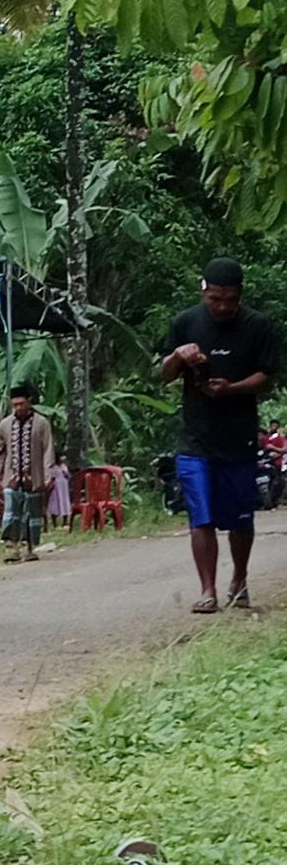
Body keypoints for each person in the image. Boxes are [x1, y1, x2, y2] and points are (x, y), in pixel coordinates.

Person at [161, 257, 279, 613]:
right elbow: (163, 374)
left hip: (239, 438)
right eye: (215, 299)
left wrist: (232, 388)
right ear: (204, 291)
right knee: (202, 515)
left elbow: (268, 376)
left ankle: (239, 580)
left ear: (241, 294)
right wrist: (178, 356)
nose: (223, 306)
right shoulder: (185, 322)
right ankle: (208, 590)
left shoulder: (258, 326)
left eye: (231, 299)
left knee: (241, 517)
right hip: (195, 439)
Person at [0, 385, 56, 563]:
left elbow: (48, 449)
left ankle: (30, 549)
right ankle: (12, 549)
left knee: (32, 513)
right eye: (15, 405)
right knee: (11, 514)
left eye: (21, 404)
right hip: (10, 478)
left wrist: (47, 474)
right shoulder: (5, 425)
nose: (18, 408)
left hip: (34, 477)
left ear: (29, 401)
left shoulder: (42, 423)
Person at [45, 451, 72, 532]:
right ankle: (55, 523)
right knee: (55, 504)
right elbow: (50, 477)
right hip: (56, 488)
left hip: (64, 488)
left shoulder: (63, 466)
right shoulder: (52, 467)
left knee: (65, 503)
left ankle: (65, 522)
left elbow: (68, 475)